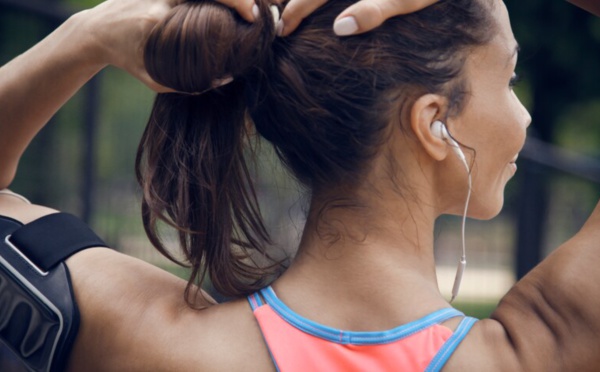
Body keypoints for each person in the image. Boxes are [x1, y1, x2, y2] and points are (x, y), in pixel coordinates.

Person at [1, 0, 600, 371]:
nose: (524, 117)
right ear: (433, 123)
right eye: (510, 77)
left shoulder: (156, 346)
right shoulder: (544, 351)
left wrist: (88, 35)